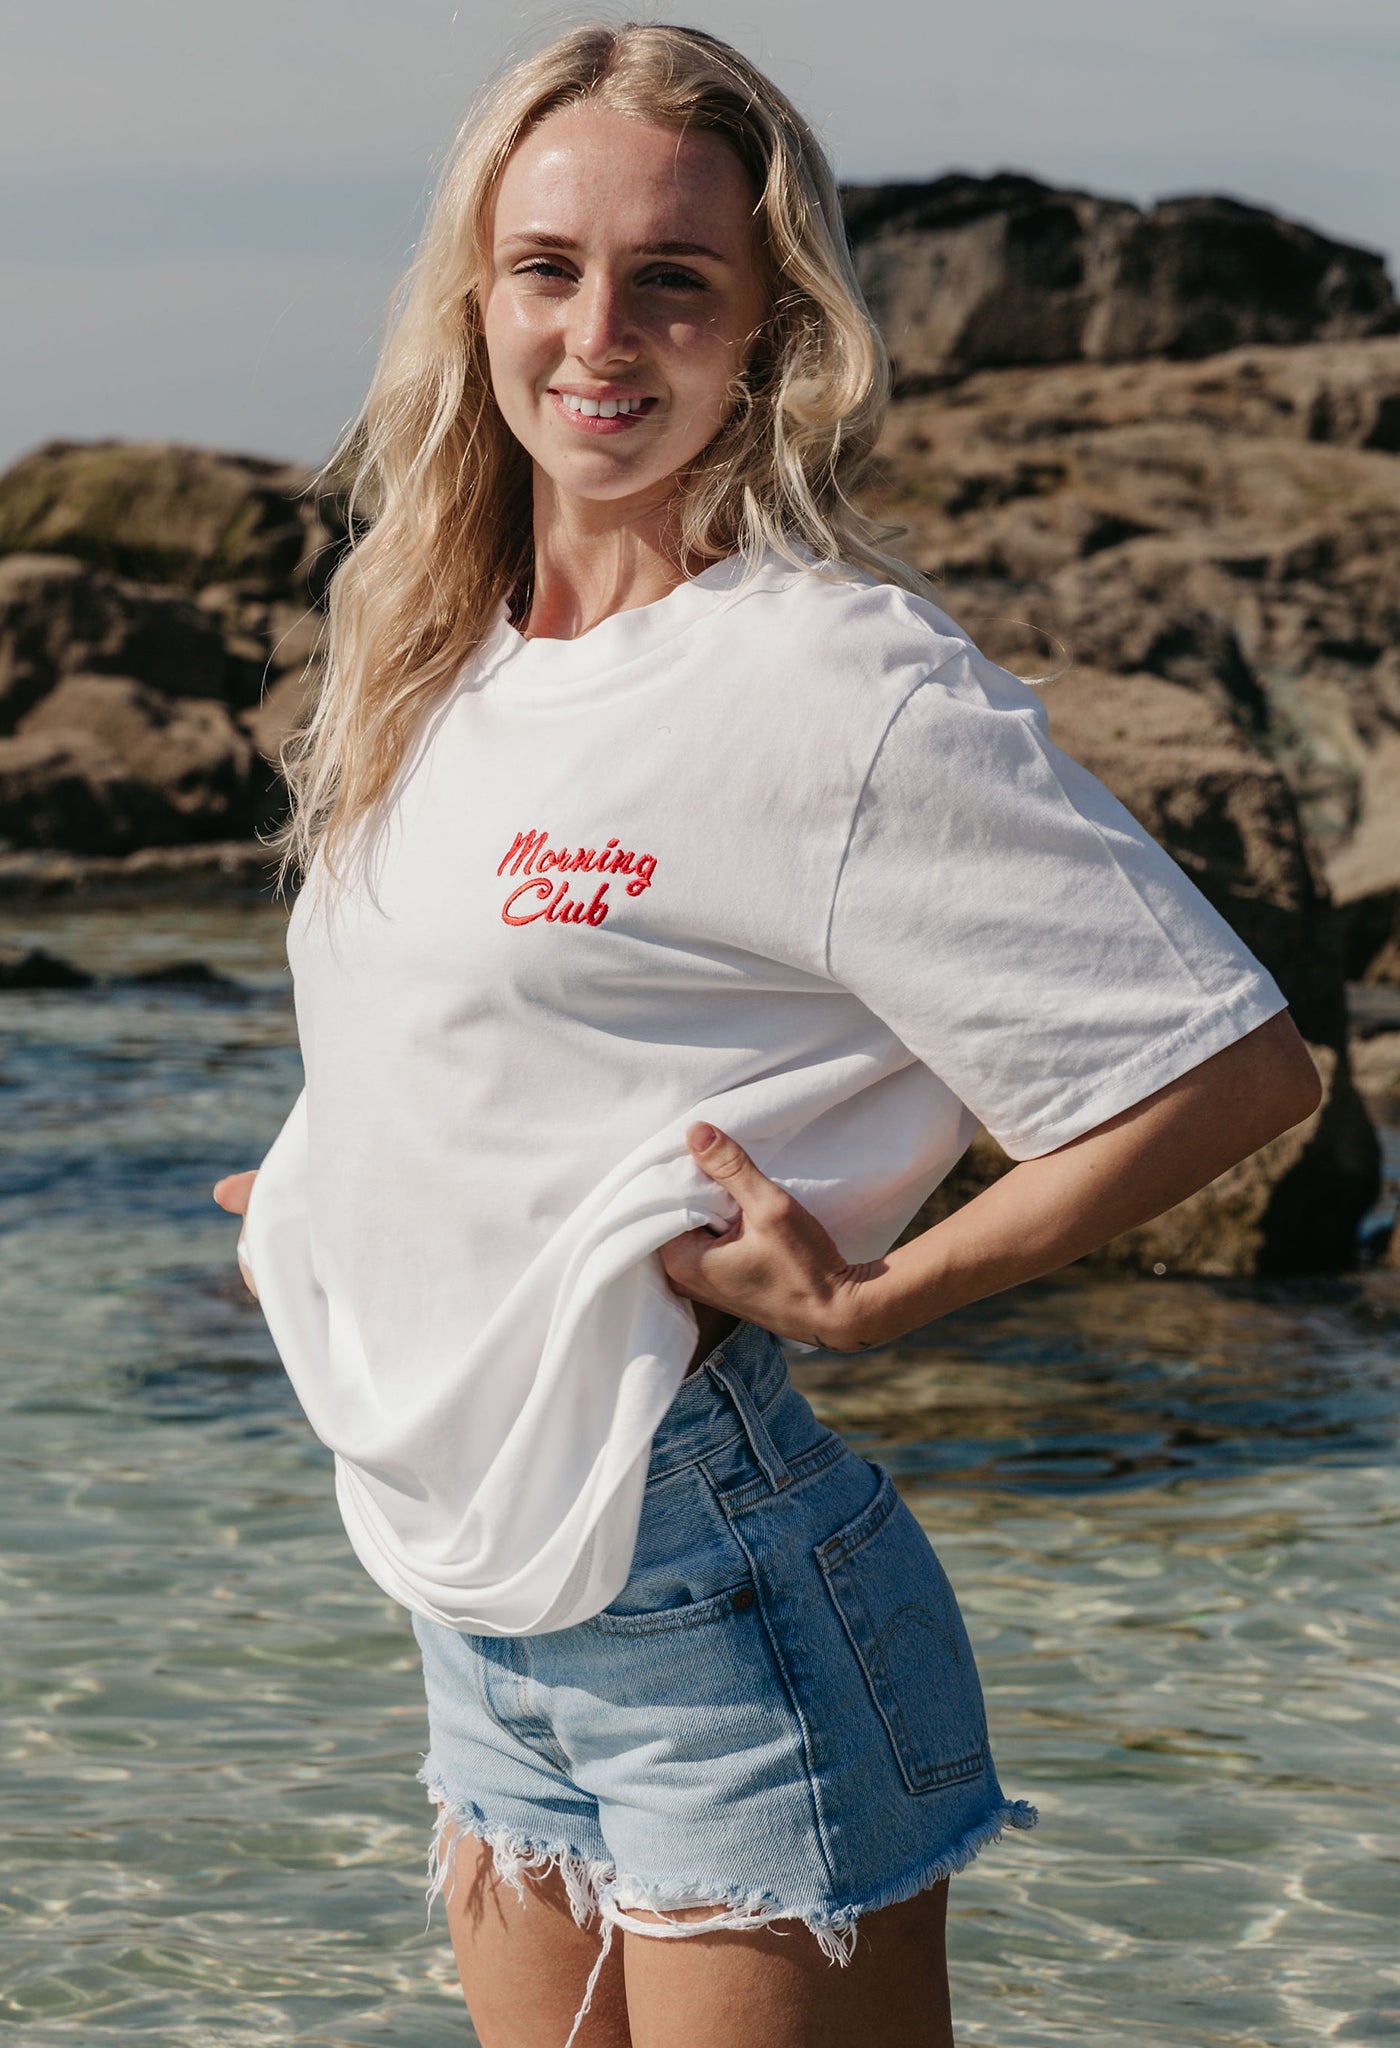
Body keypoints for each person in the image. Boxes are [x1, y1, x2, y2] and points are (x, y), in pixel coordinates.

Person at [212, 22, 1322, 2047]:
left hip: (709, 1587)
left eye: (673, 279)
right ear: (478, 294)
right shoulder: (439, 656)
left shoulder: (828, 681)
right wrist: (320, 1206)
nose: (598, 332)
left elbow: (1233, 1066)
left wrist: (889, 1294)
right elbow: (478, 1032)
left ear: (770, 326)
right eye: (547, 267)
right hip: (479, 1595)